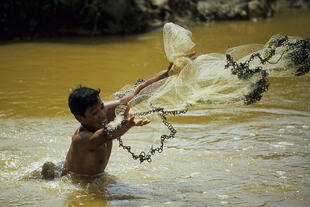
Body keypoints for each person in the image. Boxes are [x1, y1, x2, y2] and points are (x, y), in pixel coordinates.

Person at [61, 62, 176, 177]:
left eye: (101, 106)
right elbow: (105, 135)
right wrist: (125, 125)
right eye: (95, 113)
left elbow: (137, 95)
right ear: (80, 118)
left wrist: (167, 74)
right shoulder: (81, 139)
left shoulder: (103, 114)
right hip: (74, 182)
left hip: (96, 178)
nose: (102, 114)